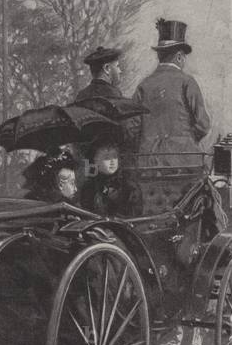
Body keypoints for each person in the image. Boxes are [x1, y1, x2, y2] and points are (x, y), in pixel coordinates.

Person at [131, 18, 211, 172]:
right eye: (184, 57)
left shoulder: (143, 86)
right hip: (185, 164)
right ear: (179, 57)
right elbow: (203, 124)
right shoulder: (187, 82)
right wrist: (185, 140)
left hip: (149, 166)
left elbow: (133, 127)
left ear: (159, 55)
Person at [79, 137, 142, 217]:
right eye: (107, 158)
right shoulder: (89, 187)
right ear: (96, 162)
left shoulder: (129, 186)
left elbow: (135, 215)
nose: (112, 162)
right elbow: (85, 214)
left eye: (115, 157)